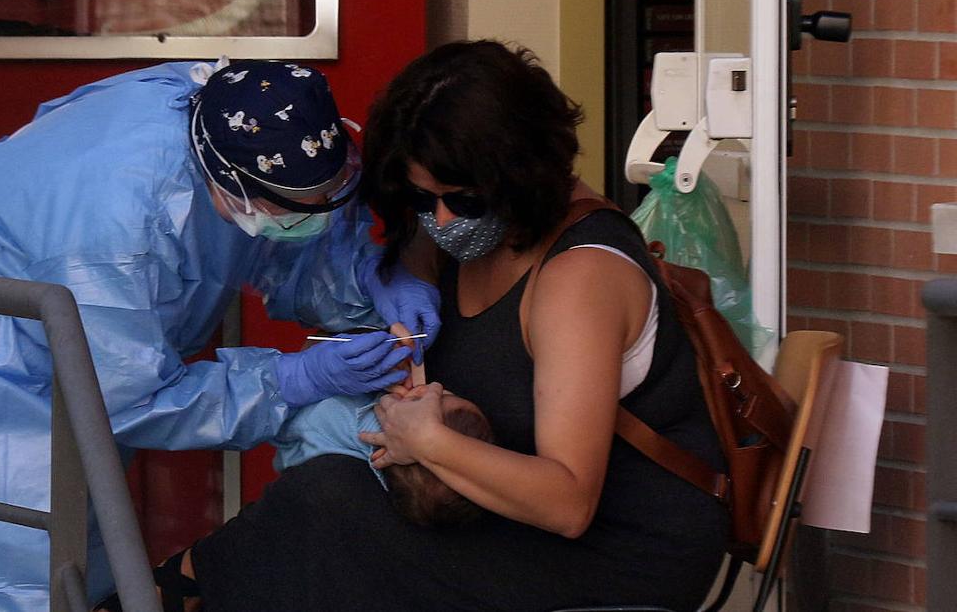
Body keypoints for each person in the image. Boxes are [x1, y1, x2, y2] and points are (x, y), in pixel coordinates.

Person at [0, 59, 441, 611]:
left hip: (69, 312)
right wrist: (292, 379)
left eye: (326, 196)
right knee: (8, 573)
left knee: (83, 561)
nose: (312, 217)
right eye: (295, 210)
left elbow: (294, 231)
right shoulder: (113, 231)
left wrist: (373, 278)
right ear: (230, 188)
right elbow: (133, 398)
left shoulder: (245, 117)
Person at [167, 40, 730, 611]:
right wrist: (400, 288)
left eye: (459, 200)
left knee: (326, 510)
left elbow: (568, 504)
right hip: (500, 513)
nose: (438, 220)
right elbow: (418, 249)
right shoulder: (465, 231)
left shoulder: (578, 281)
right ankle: (185, 584)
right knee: (322, 488)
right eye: (420, 196)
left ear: (521, 175)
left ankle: (180, 583)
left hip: (617, 551)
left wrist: (428, 439)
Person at [273, 383, 495, 527]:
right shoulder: (401, 481)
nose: (433, 387)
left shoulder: (336, 415)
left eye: (437, 398)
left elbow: (281, 411)